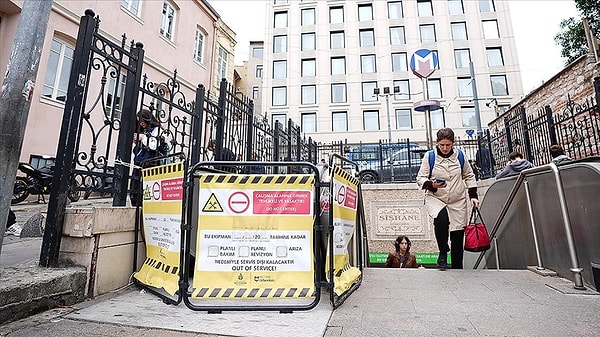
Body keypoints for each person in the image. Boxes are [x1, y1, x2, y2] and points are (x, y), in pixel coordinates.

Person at [416, 128, 479, 270]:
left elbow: (469, 175)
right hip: (436, 196)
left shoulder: (460, 156)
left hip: (457, 200)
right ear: (437, 143)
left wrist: (473, 195)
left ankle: (458, 267)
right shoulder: (430, 156)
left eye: (448, 145)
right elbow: (420, 177)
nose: (444, 148)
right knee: (441, 219)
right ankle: (443, 251)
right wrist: (431, 184)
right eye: (442, 145)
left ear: (453, 144)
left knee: (457, 234)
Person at [130, 109, 162, 206]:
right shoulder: (142, 130)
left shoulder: (157, 130)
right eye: (139, 121)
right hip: (138, 164)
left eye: (142, 121)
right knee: (134, 191)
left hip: (150, 164)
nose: (141, 124)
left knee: (146, 192)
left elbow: (154, 146)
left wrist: (142, 138)